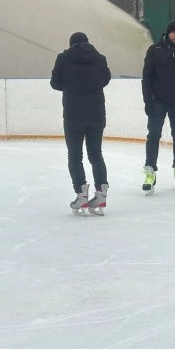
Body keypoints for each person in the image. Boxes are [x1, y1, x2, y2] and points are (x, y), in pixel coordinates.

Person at [50, 32, 111, 215]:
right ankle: (101, 194)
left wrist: (71, 85)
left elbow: (55, 83)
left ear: (70, 45)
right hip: (96, 113)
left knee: (75, 156)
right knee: (96, 154)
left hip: (73, 115)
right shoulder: (99, 59)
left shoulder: (63, 58)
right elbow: (105, 79)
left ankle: (81, 196)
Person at [141, 19, 175, 194]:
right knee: (154, 135)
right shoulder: (155, 51)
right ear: (168, 33)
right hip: (157, 100)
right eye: (174, 33)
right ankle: (150, 171)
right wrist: (147, 100)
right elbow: (147, 77)